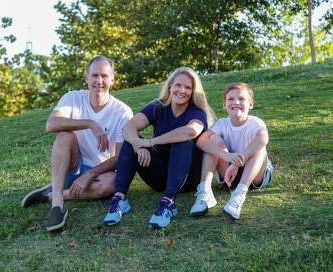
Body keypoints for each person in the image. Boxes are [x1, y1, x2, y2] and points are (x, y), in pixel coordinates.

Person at [21, 55, 133, 231]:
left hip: (100, 173)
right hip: (73, 165)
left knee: (112, 184)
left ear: (112, 79)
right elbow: (51, 124)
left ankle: (51, 194)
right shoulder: (72, 98)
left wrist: (89, 175)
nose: (99, 81)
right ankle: (57, 206)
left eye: (104, 76)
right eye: (95, 75)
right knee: (64, 135)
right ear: (86, 78)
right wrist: (90, 124)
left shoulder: (123, 112)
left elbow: (120, 157)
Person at [103, 67, 215, 229]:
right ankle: (120, 199)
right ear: (170, 87)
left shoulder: (196, 112)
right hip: (159, 177)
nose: (182, 90)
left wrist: (151, 142)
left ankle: (168, 203)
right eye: (178, 85)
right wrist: (137, 145)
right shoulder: (158, 106)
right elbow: (129, 126)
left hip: (186, 179)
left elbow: (191, 131)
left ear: (193, 92)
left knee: (183, 141)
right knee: (130, 140)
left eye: (188, 87)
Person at [190, 82, 274, 220]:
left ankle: (239, 195)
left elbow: (263, 139)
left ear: (251, 104)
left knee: (260, 148)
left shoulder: (255, 122)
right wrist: (226, 156)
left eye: (241, 99)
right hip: (229, 176)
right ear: (224, 105)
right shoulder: (222, 124)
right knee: (211, 141)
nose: (236, 102)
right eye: (230, 99)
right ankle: (205, 192)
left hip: (255, 174)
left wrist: (237, 162)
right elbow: (200, 141)